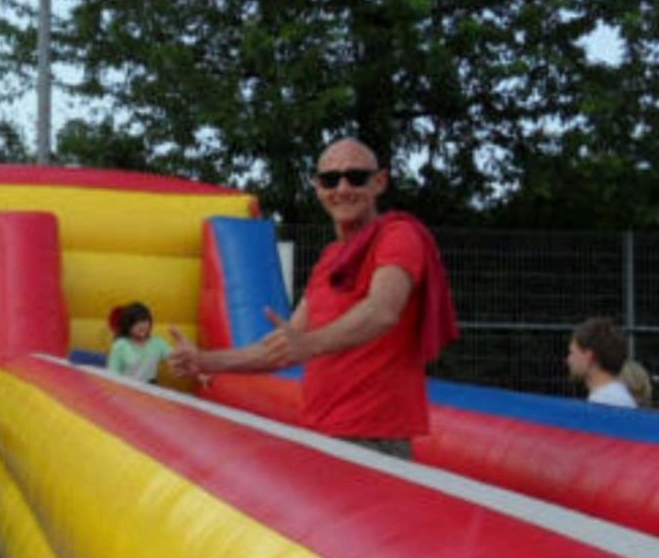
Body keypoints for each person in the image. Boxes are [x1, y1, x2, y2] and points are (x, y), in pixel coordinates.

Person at [166, 137, 458, 460]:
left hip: (373, 435)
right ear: (318, 188)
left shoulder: (398, 235)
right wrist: (205, 361)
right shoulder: (330, 259)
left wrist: (309, 344)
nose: (342, 189)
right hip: (323, 429)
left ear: (379, 182)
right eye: (330, 180)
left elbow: (382, 311)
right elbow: (283, 348)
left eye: (356, 177)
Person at [566, 317, 637, 408]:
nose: (568, 360)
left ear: (588, 356)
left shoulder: (607, 400)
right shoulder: (612, 396)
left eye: (572, 352)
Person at [107, 301, 171, 383]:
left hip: (149, 387)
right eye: (136, 322)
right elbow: (112, 375)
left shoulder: (157, 343)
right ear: (127, 325)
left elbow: (172, 357)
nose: (142, 325)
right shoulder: (120, 345)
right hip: (126, 387)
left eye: (145, 320)